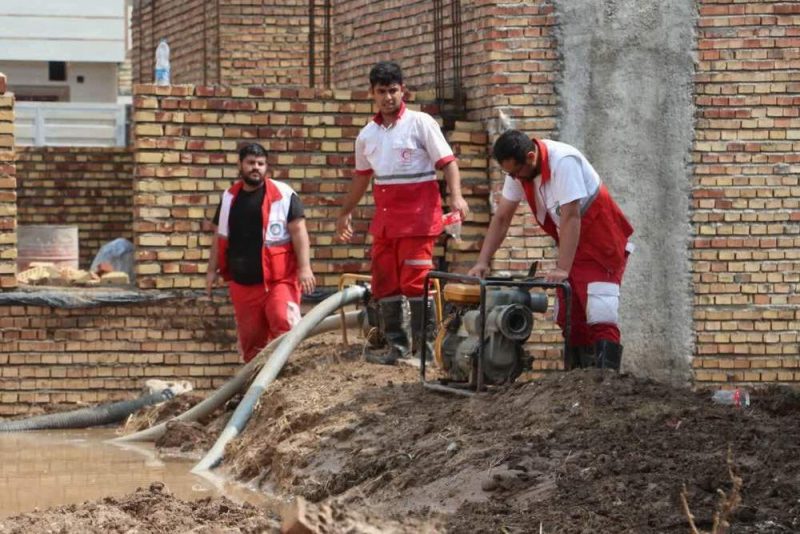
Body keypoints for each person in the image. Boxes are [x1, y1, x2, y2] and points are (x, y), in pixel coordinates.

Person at [335, 61, 469, 365]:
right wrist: (345, 212)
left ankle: (425, 352)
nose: (388, 97)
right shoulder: (367, 135)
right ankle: (396, 348)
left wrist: (457, 197)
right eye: (381, 92)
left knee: (415, 282)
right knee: (384, 282)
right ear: (372, 93)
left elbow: (448, 162)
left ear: (402, 90)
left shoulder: (421, 123)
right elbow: (361, 176)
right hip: (386, 222)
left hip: (419, 219)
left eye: (393, 90)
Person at [468, 130, 633, 370]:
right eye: (509, 173)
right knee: (571, 317)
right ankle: (577, 383)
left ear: (531, 156)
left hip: (602, 245)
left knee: (600, 313)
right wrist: (482, 261)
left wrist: (562, 268)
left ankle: (605, 385)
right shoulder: (518, 171)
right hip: (574, 243)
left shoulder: (564, 162)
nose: (514, 178)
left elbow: (571, 217)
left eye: (516, 172)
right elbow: (502, 217)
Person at [206, 143, 316, 363]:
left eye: (260, 164)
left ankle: (288, 379)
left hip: (279, 280)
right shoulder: (229, 198)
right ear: (240, 165)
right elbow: (219, 237)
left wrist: (305, 268)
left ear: (266, 167)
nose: (255, 168)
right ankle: (255, 390)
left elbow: (299, 232)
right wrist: (211, 270)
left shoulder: (283, 195)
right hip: (243, 284)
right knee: (251, 342)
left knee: (283, 324)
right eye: (250, 163)